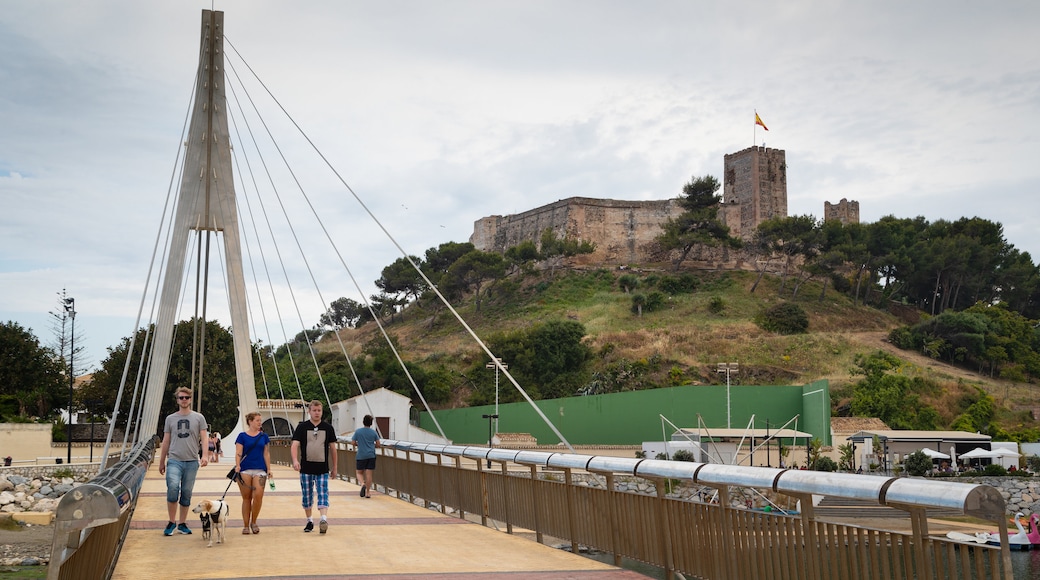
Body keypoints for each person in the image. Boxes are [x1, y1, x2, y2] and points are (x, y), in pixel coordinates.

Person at [158, 386, 208, 536]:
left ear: (190, 400)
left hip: (192, 460)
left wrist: (205, 455)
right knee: (173, 488)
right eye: (181, 398)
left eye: (186, 397)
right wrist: (161, 461)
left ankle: (182, 523)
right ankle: (171, 521)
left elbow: (204, 438)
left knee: (186, 492)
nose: (184, 400)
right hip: (174, 460)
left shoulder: (199, 417)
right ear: (177, 400)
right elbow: (166, 441)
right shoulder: (170, 419)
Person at [291, 400, 337, 534]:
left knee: (323, 492)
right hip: (306, 468)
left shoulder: (328, 428)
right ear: (309, 411)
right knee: (307, 495)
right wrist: (295, 460)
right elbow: (294, 445)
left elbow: (333, 449)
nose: (317, 413)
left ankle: (323, 519)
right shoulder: (302, 427)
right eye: (314, 410)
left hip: (322, 468)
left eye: (319, 411)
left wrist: (335, 467)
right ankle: (309, 520)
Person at [235, 412, 272, 535]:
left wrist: (269, 469)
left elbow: (266, 453)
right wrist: (238, 465)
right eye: (257, 420)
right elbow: (239, 452)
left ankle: (254, 521)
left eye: (260, 420)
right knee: (246, 498)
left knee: (258, 496)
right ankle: (245, 525)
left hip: (260, 469)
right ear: (250, 422)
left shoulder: (264, 436)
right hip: (245, 469)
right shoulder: (242, 436)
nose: (259, 423)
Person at [351, 414, 380, 498]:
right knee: (369, 474)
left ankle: (362, 484)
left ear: (363, 422)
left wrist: (359, 444)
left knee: (359, 472)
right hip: (371, 455)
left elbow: (353, 442)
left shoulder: (358, 431)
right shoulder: (373, 432)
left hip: (361, 455)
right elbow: (378, 444)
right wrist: (371, 445)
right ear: (371, 423)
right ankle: (368, 492)